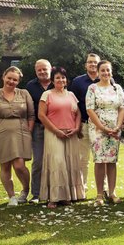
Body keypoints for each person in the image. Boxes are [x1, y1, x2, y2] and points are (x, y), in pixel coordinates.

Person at [0, 66, 34, 206]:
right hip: (1, 134)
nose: (11, 81)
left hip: (21, 133)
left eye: (15, 79)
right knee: (5, 167)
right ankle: (11, 197)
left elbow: (31, 115)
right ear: (3, 77)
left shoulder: (24, 93)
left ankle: (25, 190)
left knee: (19, 165)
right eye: (9, 78)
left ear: (18, 81)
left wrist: (29, 130)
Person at [38, 66, 84, 208]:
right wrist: (56, 130)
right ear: (52, 80)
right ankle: (54, 197)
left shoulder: (71, 95)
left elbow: (78, 114)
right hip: (54, 133)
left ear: (66, 80)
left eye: (63, 77)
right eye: (57, 77)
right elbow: (41, 115)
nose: (61, 80)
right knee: (57, 162)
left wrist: (76, 128)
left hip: (71, 133)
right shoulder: (47, 95)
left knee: (70, 163)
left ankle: (67, 196)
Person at [86, 60, 124, 206]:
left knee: (111, 161)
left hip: (114, 129)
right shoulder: (92, 88)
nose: (105, 73)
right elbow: (90, 109)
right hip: (98, 130)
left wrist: (117, 126)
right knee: (99, 160)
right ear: (98, 72)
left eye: (108, 70)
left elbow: (122, 107)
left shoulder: (117, 88)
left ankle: (112, 192)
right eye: (102, 70)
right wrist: (102, 128)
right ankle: (99, 194)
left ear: (111, 71)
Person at [69, 53, 100, 192]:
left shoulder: (107, 79)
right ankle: (82, 187)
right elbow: (72, 104)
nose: (92, 64)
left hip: (101, 126)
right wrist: (76, 124)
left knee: (101, 158)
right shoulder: (77, 82)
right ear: (86, 65)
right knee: (83, 158)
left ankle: (104, 188)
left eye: (95, 62)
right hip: (84, 124)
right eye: (90, 62)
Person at [25, 59, 53, 203]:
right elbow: (28, 109)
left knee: (56, 160)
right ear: (36, 71)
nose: (42, 72)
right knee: (38, 161)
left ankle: (53, 192)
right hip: (38, 127)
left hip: (56, 128)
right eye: (39, 70)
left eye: (44, 69)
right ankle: (36, 194)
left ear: (50, 69)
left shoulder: (58, 82)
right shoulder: (30, 86)